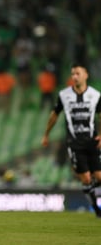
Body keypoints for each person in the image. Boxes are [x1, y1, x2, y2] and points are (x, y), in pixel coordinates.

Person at [42, 62, 101, 217]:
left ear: (86, 75)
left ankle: (93, 196)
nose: (75, 76)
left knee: (99, 177)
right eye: (73, 74)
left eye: (78, 73)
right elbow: (54, 114)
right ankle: (96, 208)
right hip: (74, 143)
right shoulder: (64, 95)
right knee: (86, 178)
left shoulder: (95, 95)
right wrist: (46, 134)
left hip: (92, 142)